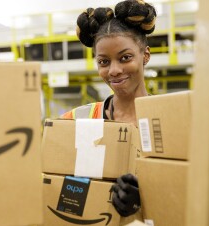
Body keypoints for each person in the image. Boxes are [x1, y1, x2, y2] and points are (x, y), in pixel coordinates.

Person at [60, 0, 157, 217]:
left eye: (125, 58)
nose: (114, 70)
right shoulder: (74, 120)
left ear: (146, 55)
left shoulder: (169, 121)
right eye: (104, 62)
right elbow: (56, 183)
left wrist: (146, 198)